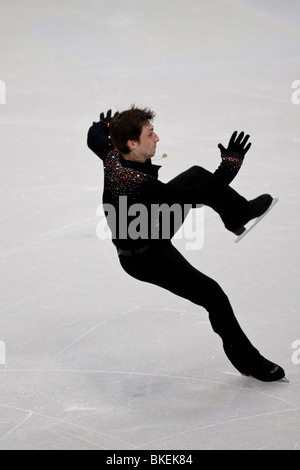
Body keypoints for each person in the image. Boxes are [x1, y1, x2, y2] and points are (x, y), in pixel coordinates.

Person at [87, 105, 285, 382]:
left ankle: (237, 213)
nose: (157, 139)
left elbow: (94, 135)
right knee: (214, 296)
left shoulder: (112, 153)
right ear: (132, 143)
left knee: (195, 173)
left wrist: (109, 125)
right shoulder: (136, 183)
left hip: (149, 225)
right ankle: (249, 361)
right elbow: (193, 196)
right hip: (144, 258)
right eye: (150, 134)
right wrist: (229, 166)